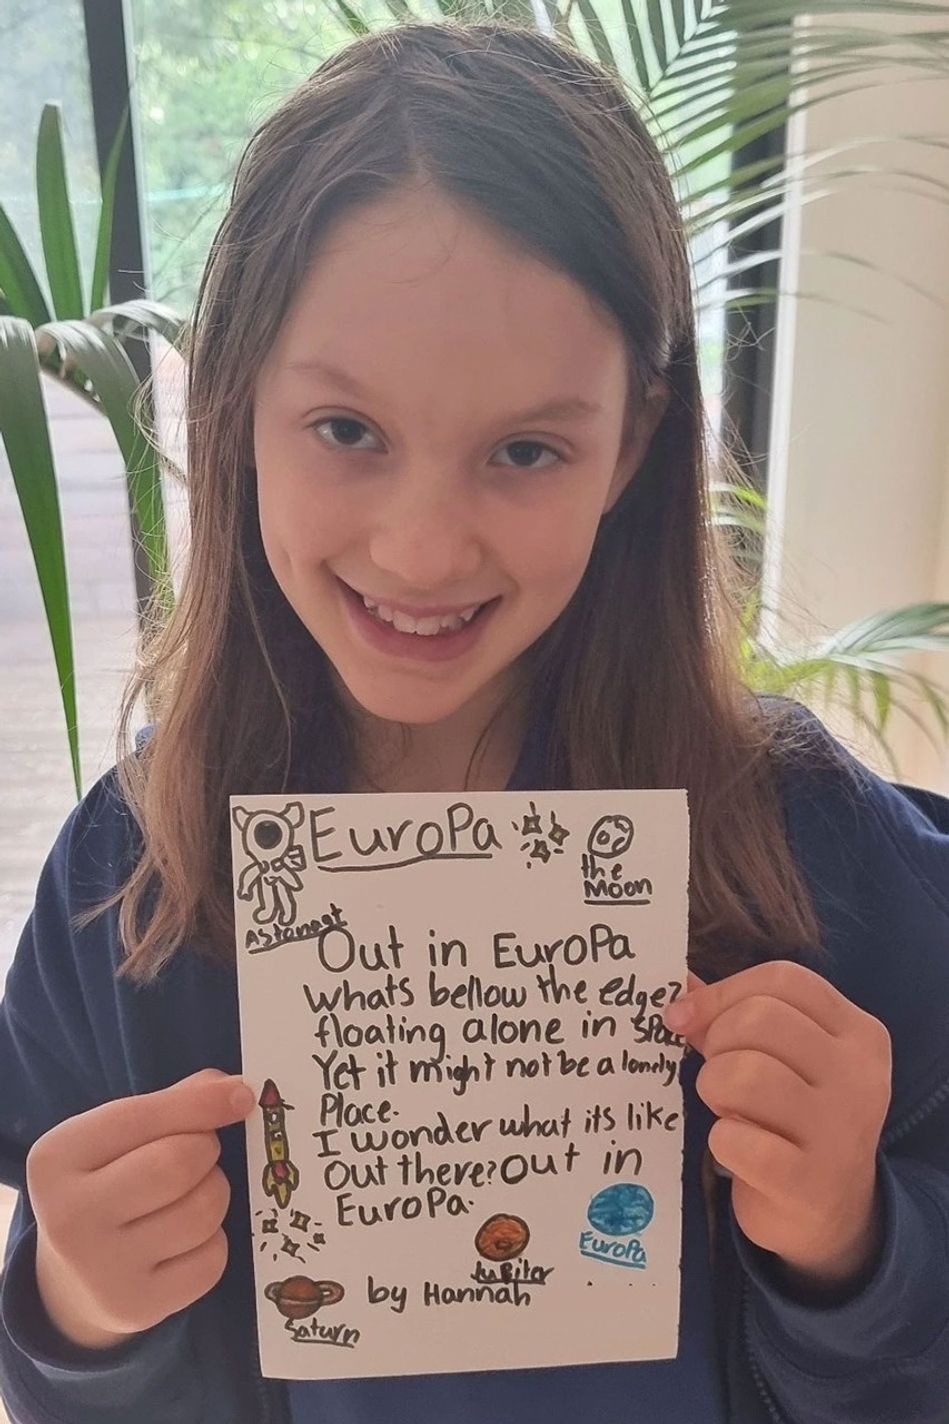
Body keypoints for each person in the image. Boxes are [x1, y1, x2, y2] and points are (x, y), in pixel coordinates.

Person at [1, 17, 948, 1424]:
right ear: (235, 403)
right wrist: (75, 1313)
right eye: (346, 431)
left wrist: (855, 1249)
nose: (422, 550)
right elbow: (74, 1341)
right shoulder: (126, 878)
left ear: (630, 444)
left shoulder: (804, 839)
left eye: (524, 450)